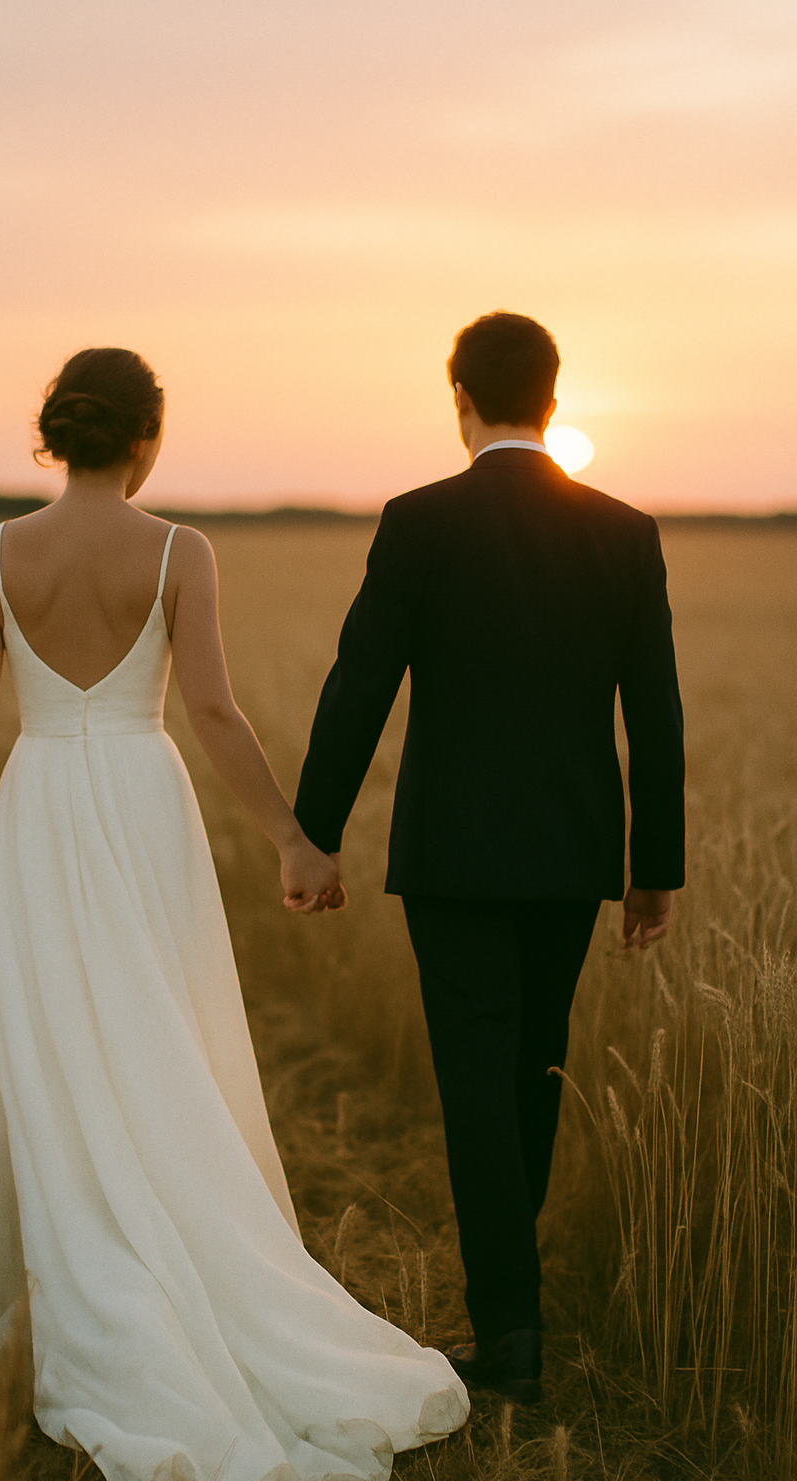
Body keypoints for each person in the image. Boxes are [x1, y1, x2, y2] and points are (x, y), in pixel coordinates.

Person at [0, 348, 468, 1481]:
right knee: (153, 1026)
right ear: (145, 438)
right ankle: (183, 1252)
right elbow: (213, 709)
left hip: (36, 808)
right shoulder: (180, 550)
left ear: (55, 434)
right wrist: (290, 839)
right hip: (140, 794)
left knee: (55, 1037)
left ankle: (78, 1277)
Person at [294, 312, 685, 1404]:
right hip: (571, 852)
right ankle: (514, 1306)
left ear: (458, 397)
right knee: (533, 1066)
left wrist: (311, 832)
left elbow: (359, 678)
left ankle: (510, 1330)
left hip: (453, 854)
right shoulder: (624, 531)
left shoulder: (418, 522)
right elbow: (655, 714)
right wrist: (654, 865)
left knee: (475, 1072)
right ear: (552, 401)